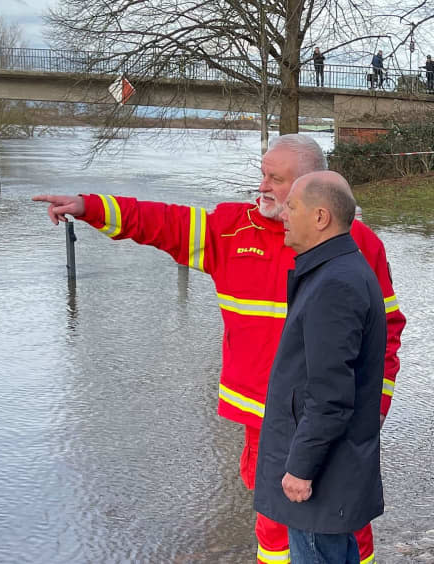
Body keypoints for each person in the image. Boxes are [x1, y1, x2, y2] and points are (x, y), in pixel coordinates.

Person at [32, 134, 405, 564]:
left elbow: (387, 331)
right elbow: (160, 222)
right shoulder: (230, 228)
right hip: (262, 419)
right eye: (262, 174)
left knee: (345, 523)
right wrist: (90, 207)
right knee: (274, 525)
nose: (262, 186)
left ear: (311, 188)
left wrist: (376, 406)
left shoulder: (355, 245)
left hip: (330, 420)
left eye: (276, 179)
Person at [254, 171, 386, 563]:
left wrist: (300, 467)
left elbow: (330, 396)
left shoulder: (336, 284)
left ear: (321, 217)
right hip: (332, 464)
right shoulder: (338, 270)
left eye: (292, 207)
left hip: (323, 472)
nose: (282, 216)